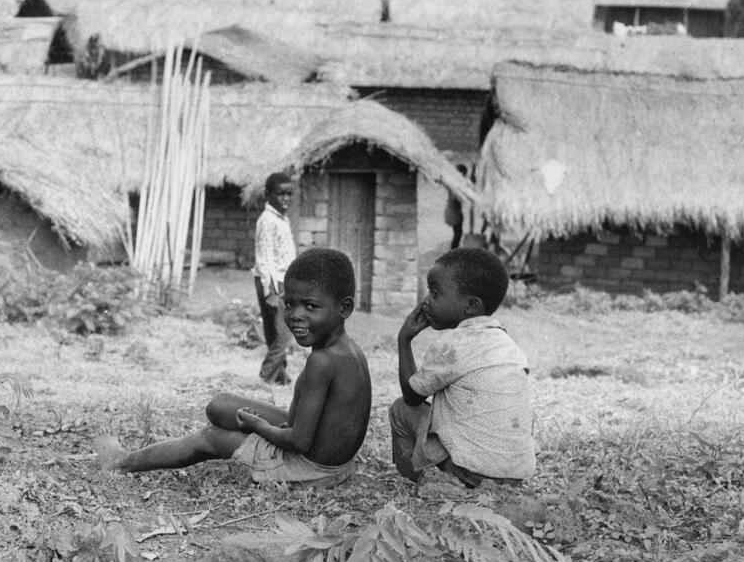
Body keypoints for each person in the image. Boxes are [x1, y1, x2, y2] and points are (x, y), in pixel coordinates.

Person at [96, 249, 371, 488]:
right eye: (289, 303)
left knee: (210, 438)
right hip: (333, 461)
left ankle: (122, 464)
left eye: (310, 306)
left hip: (309, 469)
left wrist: (258, 426)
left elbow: (298, 442)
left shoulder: (321, 362)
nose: (296, 315)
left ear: (344, 308)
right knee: (221, 405)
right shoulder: (350, 351)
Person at [390, 247, 535, 488]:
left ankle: (421, 481)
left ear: (470, 306)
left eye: (435, 293)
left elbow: (412, 397)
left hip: (471, 473)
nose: (426, 301)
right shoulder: (509, 346)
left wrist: (404, 340)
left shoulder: (452, 345)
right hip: (515, 476)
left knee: (400, 410)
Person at [254, 172, 298, 385]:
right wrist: (269, 291)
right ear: (268, 194)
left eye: (289, 194)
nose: (286, 199)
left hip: (283, 281)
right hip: (272, 283)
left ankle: (280, 377)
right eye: (281, 194)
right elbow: (264, 259)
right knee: (284, 334)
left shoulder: (282, 218)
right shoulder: (267, 220)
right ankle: (264, 378)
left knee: (276, 333)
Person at [444, 163, 469, 250]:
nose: (465, 177)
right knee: (458, 233)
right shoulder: (455, 185)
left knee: (458, 233)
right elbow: (456, 197)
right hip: (454, 213)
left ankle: (454, 251)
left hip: (453, 211)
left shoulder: (453, 182)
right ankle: (453, 253)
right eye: (464, 174)